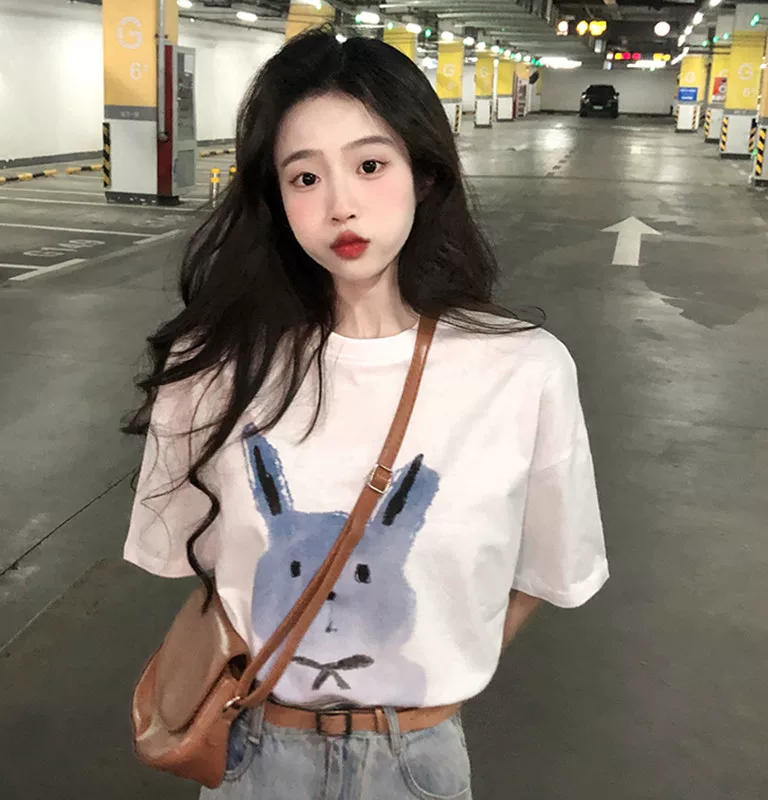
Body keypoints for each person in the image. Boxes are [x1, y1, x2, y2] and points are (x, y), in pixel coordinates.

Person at [122, 26, 609, 800]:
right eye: (304, 177)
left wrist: (425, 670)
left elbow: (547, 569)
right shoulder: (215, 367)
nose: (340, 205)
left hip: (418, 763)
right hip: (252, 755)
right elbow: (198, 565)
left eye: (370, 165)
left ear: (424, 174)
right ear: (276, 199)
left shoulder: (524, 370)